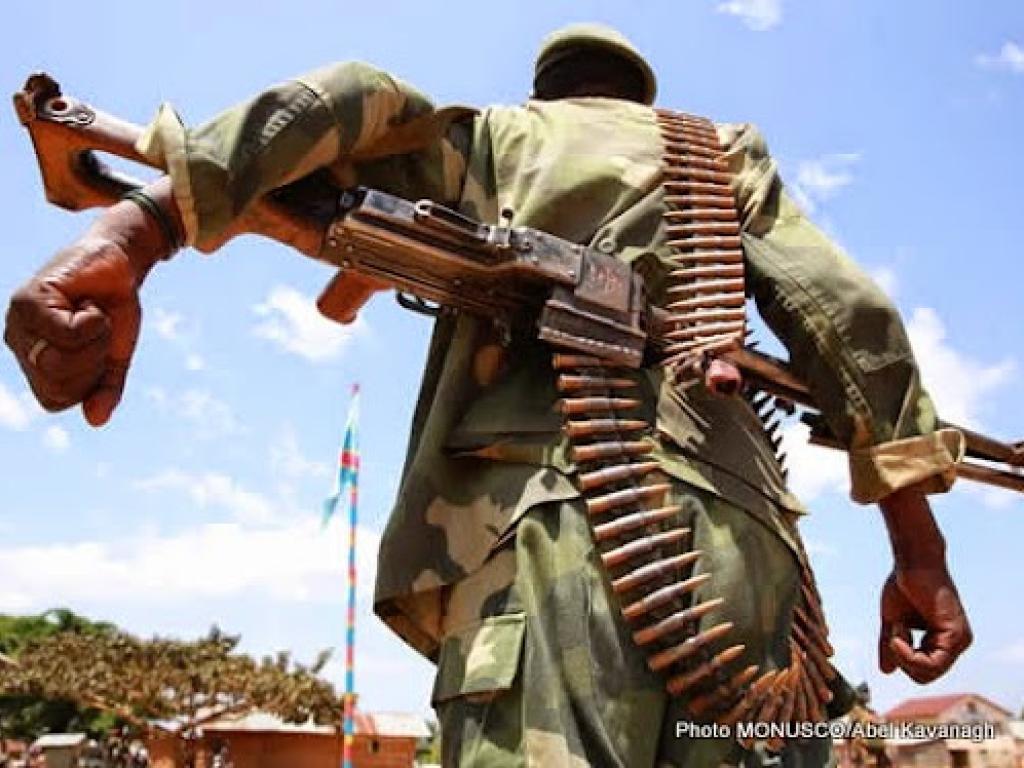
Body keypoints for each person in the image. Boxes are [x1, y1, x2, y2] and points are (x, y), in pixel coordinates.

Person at [4, 23, 972, 767]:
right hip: (745, 548)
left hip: (561, 515)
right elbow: (849, 318)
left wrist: (137, 233)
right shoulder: (717, 155)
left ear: (544, 94)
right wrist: (917, 550)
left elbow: (350, 98)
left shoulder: (505, 138)